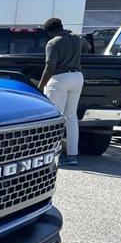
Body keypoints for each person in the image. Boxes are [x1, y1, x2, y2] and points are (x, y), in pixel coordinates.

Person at [38, 17, 84, 165]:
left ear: (51, 31)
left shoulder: (53, 43)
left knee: (54, 118)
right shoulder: (77, 39)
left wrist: (39, 87)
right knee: (71, 116)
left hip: (60, 79)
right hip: (77, 76)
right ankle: (72, 156)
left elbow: (50, 67)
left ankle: (50, 154)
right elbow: (88, 45)